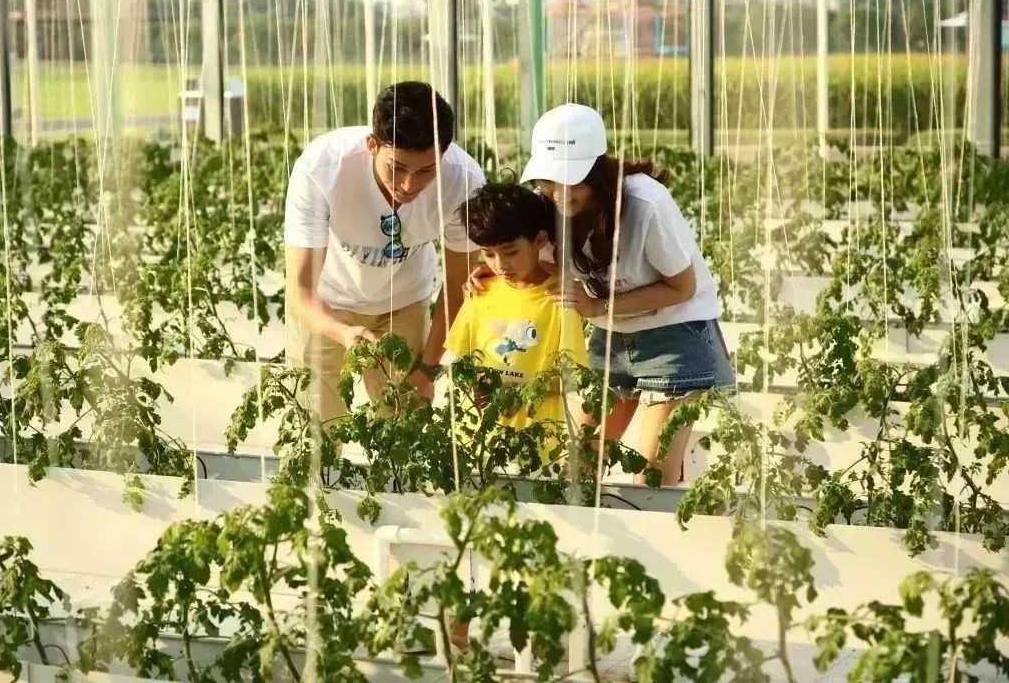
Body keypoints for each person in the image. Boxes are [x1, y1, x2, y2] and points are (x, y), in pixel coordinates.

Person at [467, 103, 734, 486]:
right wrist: (492, 271)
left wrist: (596, 305)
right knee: (580, 468)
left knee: (653, 476)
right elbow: (531, 258)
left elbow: (683, 287)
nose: (559, 193)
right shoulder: (549, 209)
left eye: (571, 180)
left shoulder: (646, 204)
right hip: (610, 336)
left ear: (596, 171)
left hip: (675, 336)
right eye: (548, 180)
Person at [284, 81, 484, 426]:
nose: (409, 185)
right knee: (314, 428)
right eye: (397, 168)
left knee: (406, 426)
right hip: (328, 303)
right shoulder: (322, 168)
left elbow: (456, 287)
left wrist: (426, 370)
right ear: (372, 145)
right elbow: (301, 293)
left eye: (425, 171)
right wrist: (342, 332)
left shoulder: (463, 182)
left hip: (405, 301)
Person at [443, 182, 588, 461]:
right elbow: (459, 359)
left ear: (540, 241)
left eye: (511, 252)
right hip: (476, 442)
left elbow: (573, 377)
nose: (500, 265)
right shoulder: (480, 291)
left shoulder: (559, 299)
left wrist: (515, 392)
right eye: (488, 254)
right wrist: (474, 386)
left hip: (538, 446)